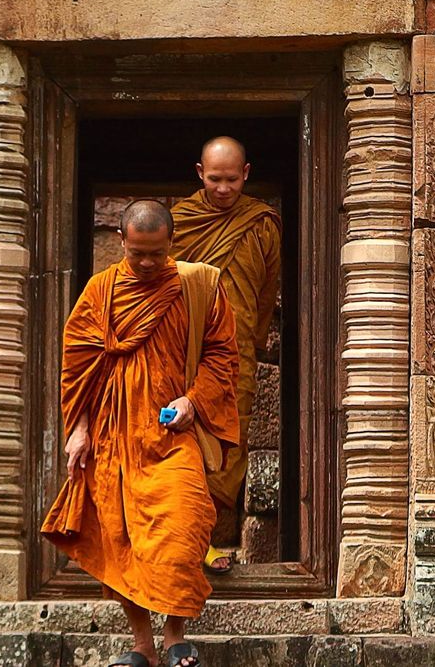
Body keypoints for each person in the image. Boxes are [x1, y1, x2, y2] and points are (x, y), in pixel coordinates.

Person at [41, 200, 240, 667]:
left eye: (155, 253)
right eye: (137, 254)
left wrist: (193, 401)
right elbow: (77, 368)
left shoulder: (199, 286)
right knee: (121, 538)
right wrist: (79, 429)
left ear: (171, 243)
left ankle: (174, 636)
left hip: (172, 435)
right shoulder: (101, 291)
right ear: (121, 243)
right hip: (113, 436)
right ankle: (142, 646)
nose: (147, 263)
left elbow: (222, 356)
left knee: (183, 524)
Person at [170, 136, 281, 574]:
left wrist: (249, 344)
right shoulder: (178, 223)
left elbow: (266, 291)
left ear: (246, 174)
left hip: (236, 360)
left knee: (229, 449)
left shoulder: (262, 225)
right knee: (180, 446)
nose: (222, 189)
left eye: (232, 179)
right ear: (200, 173)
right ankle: (177, 544)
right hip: (183, 358)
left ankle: (212, 543)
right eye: (214, 179)